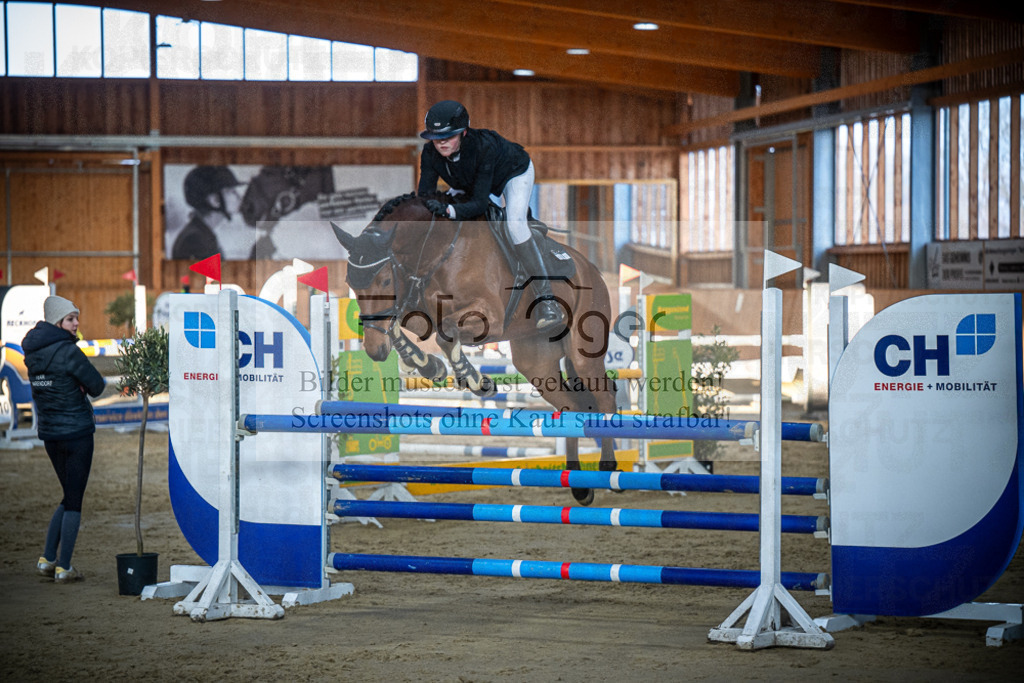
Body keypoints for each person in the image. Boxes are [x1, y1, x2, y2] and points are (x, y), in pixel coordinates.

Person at [417, 100, 565, 332]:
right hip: (471, 179)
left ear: (464, 132)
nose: (441, 142)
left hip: (512, 173)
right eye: (436, 137)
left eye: (449, 136)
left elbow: (478, 203)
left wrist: (449, 210)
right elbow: (424, 195)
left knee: (514, 225)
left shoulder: (482, 147)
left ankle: (547, 301)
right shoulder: (429, 152)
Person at [22, 296, 105, 583]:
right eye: (71, 319)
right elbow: (98, 386)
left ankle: (48, 558)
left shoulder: (32, 354)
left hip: (50, 435)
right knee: (74, 500)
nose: (77, 323)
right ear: (58, 322)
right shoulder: (69, 352)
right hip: (77, 434)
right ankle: (64, 566)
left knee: (68, 494)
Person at [171, 165, 244, 260]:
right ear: (215, 200)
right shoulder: (196, 240)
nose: (239, 197)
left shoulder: (201, 234)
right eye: (231, 191)